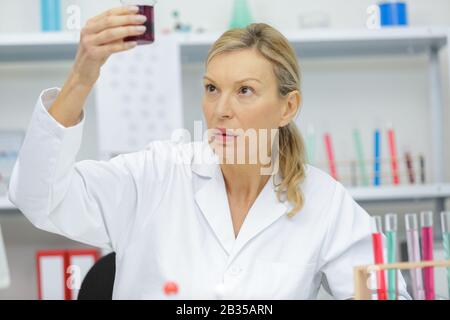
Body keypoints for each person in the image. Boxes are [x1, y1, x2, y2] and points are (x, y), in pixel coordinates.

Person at [8, 6, 409, 299]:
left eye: (245, 91)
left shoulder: (323, 203)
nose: (221, 109)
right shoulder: (157, 174)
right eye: (212, 88)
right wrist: (82, 76)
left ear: (288, 107)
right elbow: (39, 197)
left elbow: (384, 292)